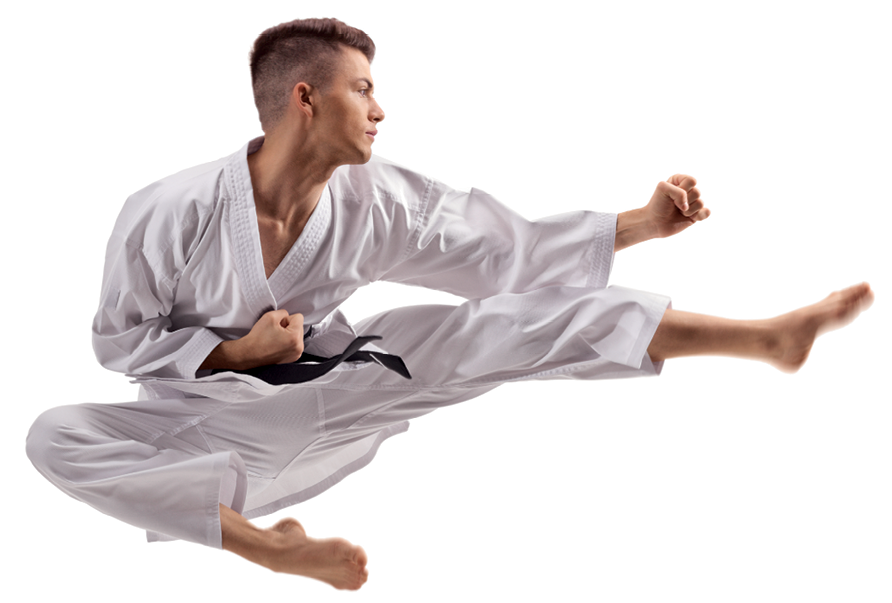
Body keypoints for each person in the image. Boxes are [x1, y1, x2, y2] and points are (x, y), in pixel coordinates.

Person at [25, 17, 873, 591]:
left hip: (342, 382)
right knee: (51, 434)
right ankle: (264, 544)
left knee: (498, 329)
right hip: (205, 429)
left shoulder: (378, 198)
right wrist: (236, 354)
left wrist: (642, 223)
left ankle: (765, 336)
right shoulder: (169, 210)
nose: (381, 107)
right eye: (362, 88)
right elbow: (118, 339)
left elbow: (505, 251)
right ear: (305, 98)